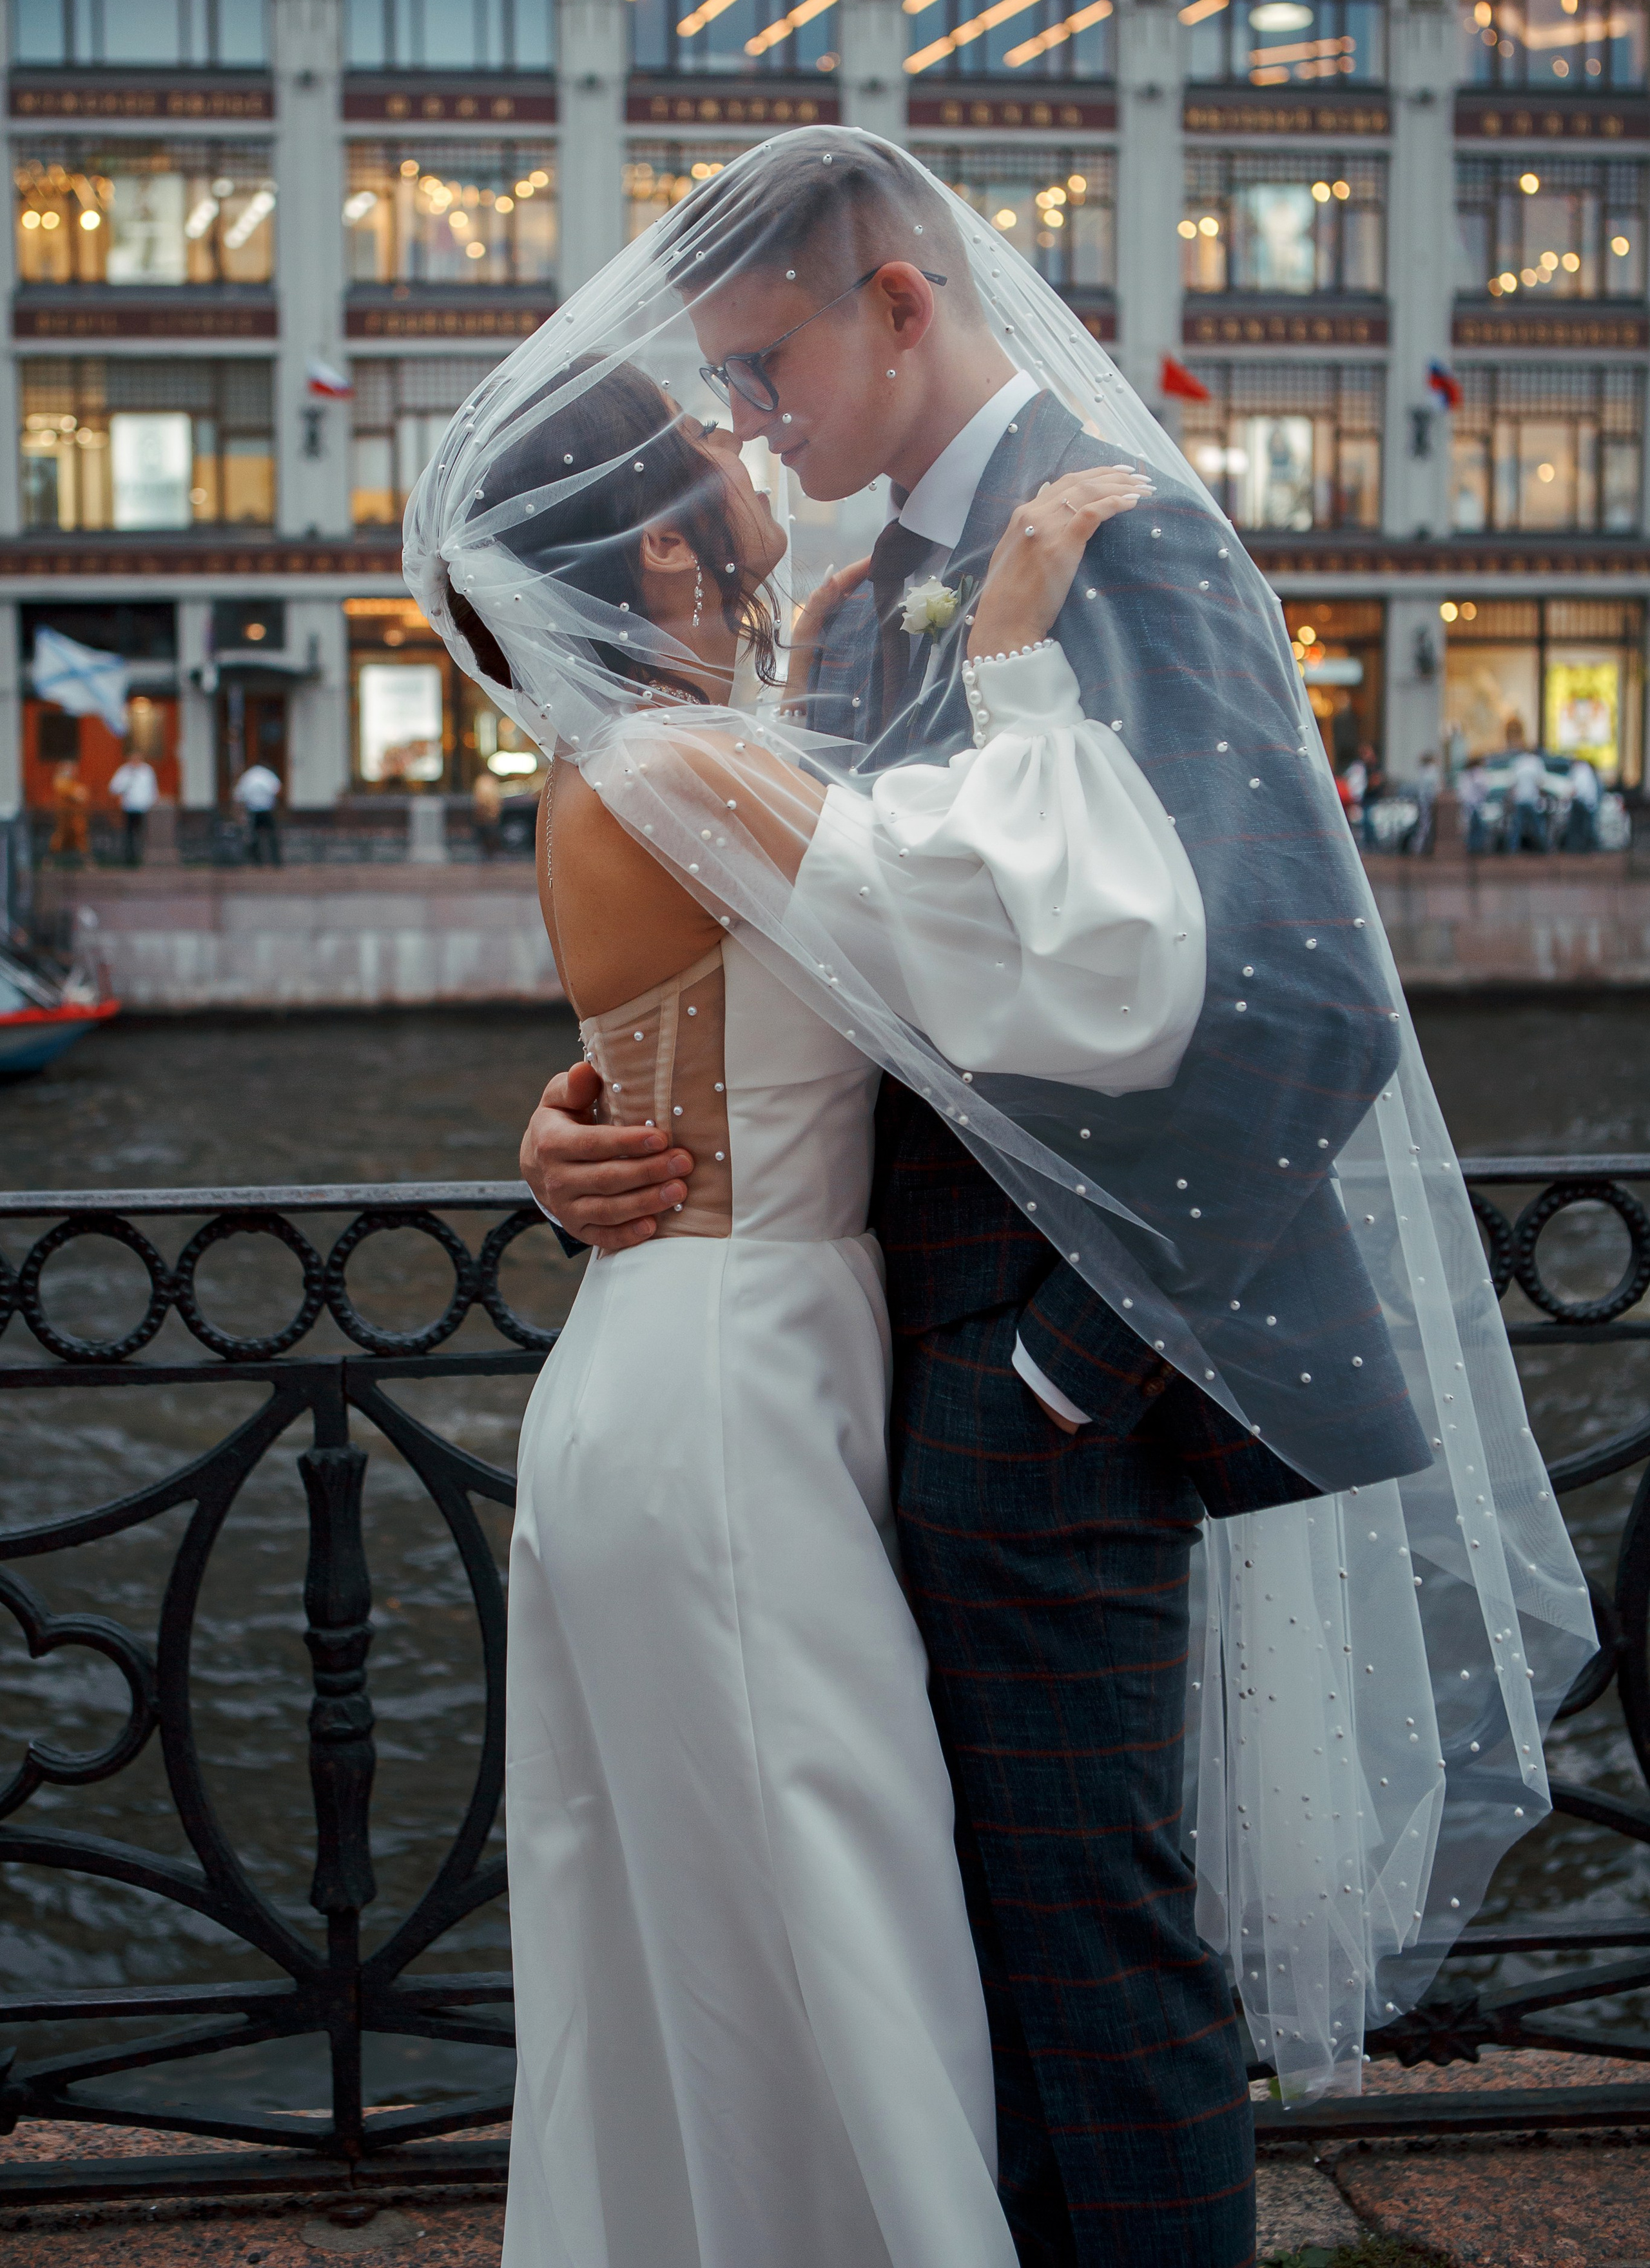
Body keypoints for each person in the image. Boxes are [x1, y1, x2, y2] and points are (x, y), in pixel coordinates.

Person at [408, 132, 1590, 2268]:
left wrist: (1058, 1376)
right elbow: (813, 961)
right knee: (927, 1961)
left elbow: (1302, 1010)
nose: (750, 422)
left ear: (896, 294)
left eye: (760, 366)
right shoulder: (840, 645)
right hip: (817, 1394)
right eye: (714, 409)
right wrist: (591, 1113)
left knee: (1057, 1975)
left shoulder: (1105, 545)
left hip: (1001, 1405)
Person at [108, 746, 158, 868]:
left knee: (143, 833)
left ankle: (143, 857)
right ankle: (129, 858)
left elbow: (152, 789)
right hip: (129, 807)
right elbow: (114, 788)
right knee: (129, 834)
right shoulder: (124, 771)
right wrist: (126, 783)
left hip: (144, 808)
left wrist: (152, 803)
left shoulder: (147, 771)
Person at [233, 758, 282, 865]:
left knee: (253, 837)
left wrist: (239, 812)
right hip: (267, 810)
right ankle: (276, 861)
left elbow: (238, 796)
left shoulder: (247, 776)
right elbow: (277, 790)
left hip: (253, 810)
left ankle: (256, 861)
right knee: (272, 836)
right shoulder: (267, 775)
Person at [1506, 741, 1548, 853]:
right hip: (1532, 799)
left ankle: (1513, 850)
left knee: (1517, 827)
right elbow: (1541, 782)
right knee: (1537, 826)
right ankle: (1543, 849)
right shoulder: (1537, 762)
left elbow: (1512, 784)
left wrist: (1511, 798)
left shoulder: (1518, 762)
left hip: (1520, 799)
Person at [47, 761, 90, 865]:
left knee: (80, 838)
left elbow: (84, 795)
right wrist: (77, 794)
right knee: (60, 838)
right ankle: (49, 861)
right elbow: (75, 795)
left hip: (75, 817)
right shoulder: (61, 781)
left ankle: (87, 862)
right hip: (65, 817)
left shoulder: (73, 783)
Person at [1563, 756, 1600, 852]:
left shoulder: (1580, 771)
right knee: (1587, 827)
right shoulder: (1586, 770)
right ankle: (1587, 848)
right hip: (1589, 802)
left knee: (1578, 827)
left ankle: (1577, 848)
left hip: (1582, 802)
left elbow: (1578, 789)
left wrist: (1570, 796)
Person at [1406, 748, 1439, 855]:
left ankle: (1419, 848)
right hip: (1427, 802)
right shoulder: (1431, 771)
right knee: (1425, 827)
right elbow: (1434, 789)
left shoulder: (1423, 771)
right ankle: (1419, 849)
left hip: (1423, 801)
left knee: (1424, 826)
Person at [1458, 753, 1491, 854]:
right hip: (1474, 804)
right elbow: (1484, 787)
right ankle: (1475, 848)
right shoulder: (1476, 773)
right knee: (1477, 827)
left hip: (1472, 804)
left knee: (1474, 827)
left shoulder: (1466, 774)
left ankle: (1474, 847)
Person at [471, 763, 503, 859]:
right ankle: (489, 852)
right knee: (488, 833)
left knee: (488, 833)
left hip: (486, 810)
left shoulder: (482, 781)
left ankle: (488, 852)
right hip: (487, 811)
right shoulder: (487, 781)